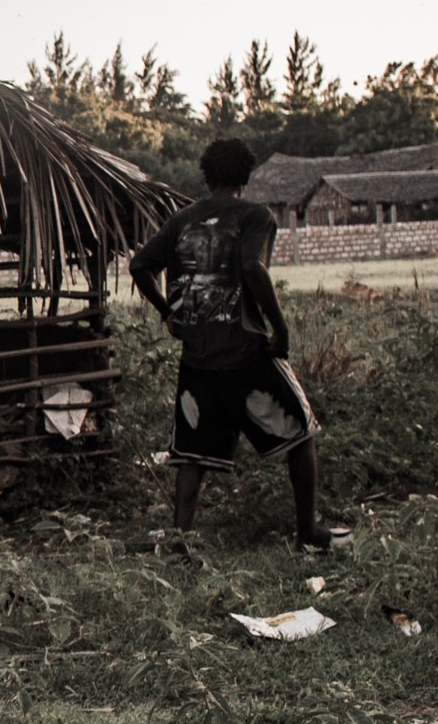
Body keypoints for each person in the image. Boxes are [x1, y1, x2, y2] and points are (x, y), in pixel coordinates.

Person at [129, 137, 332, 551]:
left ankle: (181, 539)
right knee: (302, 431)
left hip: (198, 357)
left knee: (191, 454)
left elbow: (139, 265)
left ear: (206, 175)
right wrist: (281, 329)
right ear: (246, 175)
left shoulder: (182, 220)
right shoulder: (254, 215)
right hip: (245, 351)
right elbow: (254, 269)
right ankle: (307, 533)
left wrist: (168, 313)